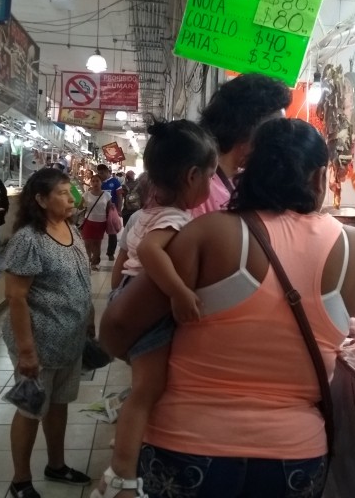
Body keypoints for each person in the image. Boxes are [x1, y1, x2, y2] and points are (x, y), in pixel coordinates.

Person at [96, 118, 355, 498]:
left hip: (188, 444)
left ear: (246, 172)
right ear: (319, 178)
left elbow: (117, 327)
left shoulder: (208, 234)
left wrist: (149, 359)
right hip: (294, 457)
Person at [92, 119, 218, 498]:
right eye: (210, 178)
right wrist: (179, 292)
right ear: (192, 176)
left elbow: (124, 258)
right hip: (149, 309)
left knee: (144, 386)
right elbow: (148, 252)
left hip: (130, 297)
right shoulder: (175, 220)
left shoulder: (141, 216)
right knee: (147, 391)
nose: (212, 187)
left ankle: (125, 436)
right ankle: (121, 477)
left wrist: (118, 295)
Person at [2, 167, 95, 498]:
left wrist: (90, 319)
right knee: (30, 410)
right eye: (61, 193)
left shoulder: (71, 229)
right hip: (38, 345)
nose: (70, 198)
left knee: (58, 405)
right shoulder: (29, 239)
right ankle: (21, 481)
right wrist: (26, 351)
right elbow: (15, 297)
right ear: (40, 200)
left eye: (71, 191)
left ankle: (56, 465)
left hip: (68, 342)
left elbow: (81, 280)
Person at [191, 73, 292, 217]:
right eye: (274, 129)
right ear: (245, 126)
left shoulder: (242, 182)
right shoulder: (199, 191)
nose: (280, 140)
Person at [80, 172, 112, 270]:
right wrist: (81, 204)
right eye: (93, 181)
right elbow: (80, 206)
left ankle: (94, 263)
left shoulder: (106, 195)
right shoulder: (86, 195)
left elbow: (109, 209)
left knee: (97, 244)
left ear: (101, 182)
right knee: (87, 243)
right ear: (91, 183)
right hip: (89, 221)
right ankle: (87, 261)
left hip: (101, 222)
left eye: (97, 181)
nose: (95, 183)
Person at [97, 164, 123, 260]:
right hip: (99, 211)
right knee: (98, 232)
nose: (100, 175)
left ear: (107, 172)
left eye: (102, 173)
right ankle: (96, 254)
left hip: (112, 211)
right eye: (99, 173)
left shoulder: (115, 182)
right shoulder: (98, 182)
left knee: (112, 233)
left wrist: (119, 210)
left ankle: (110, 253)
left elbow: (120, 197)